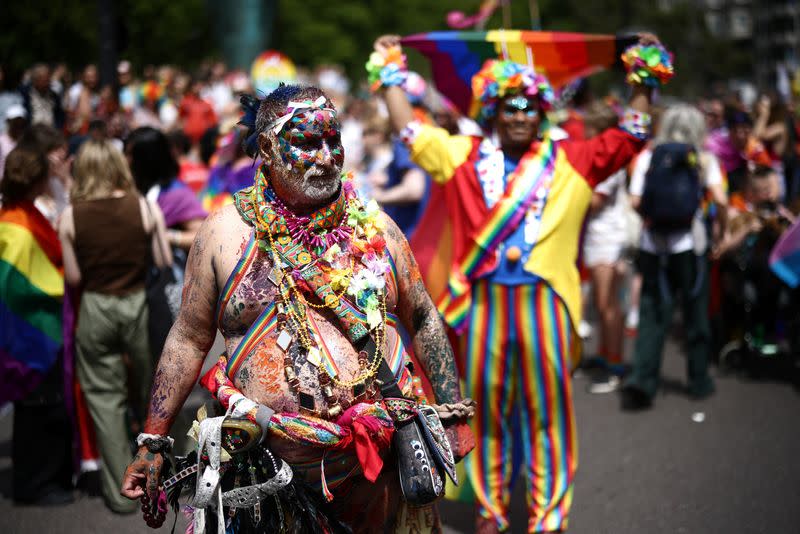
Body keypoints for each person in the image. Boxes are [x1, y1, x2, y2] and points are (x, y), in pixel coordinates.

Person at [120, 85, 474, 533]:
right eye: (306, 142)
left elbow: (422, 316)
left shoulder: (377, 228)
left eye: (333, 140)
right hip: (265, 475)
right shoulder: (224, 235)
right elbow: (189, 337)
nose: (326, 157)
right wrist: (154, 441)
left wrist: (453, 411)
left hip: (377, 470)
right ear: (267, 148)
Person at [375, 33, 663, 533]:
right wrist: (390, 69)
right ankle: (490, 513)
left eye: (530, 107)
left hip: (545, 305)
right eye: (510, 106)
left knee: (548, 415)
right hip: (485, 306)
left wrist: (644, 74)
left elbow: (632, 133)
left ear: (542, 112)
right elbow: (409, 132)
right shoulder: (462, 156)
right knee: (484, 416)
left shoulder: (572, 159)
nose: (520, 116)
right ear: (492, 111)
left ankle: (548, 517)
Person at [58, 139, 172, 513]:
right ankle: (163, 477)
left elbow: (73, 277)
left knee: (105, 399)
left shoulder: (70, 216)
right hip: (138, 303)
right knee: (151, 392)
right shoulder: (143, 206)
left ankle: (120, 495)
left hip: (96, 307)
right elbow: (162, 258)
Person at [623, 104, 728, 410]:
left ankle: (643, 380)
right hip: (689, 246)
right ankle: (698, 381)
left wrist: (651, 218)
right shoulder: (703, 159)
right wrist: (719, 230)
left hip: (654, 245)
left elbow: (634, 200)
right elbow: (720, 199)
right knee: (696, 313)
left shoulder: (648, 157)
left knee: (653, 312)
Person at [1, 147, 74, 506]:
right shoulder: (16, 223)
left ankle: (45, 480)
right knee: (36, 409)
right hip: (30, 333)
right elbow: (13, 285)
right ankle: (34, 485)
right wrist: (59, 284)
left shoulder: (24, 213)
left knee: (44, 406)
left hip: (39, 328)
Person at [581, 102, 632, 393]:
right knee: (603, 306)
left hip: (608, 239)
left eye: (589, 128)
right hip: (598, 237)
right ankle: (604, 355)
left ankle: (615, 364)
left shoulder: (610, 162)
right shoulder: (601, 158)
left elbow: (594, 201)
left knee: (607, 304)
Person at [19, 63, 65, 129]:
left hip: (51, 133)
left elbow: (60, 116)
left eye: (49, 79)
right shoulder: (24, 95)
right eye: (45, 80)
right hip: (31, 134)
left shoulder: (54, 96)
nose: (49, 82)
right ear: (35, 80)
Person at [0, 104, 27, 181]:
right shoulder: (1, 141)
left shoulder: (25, 142)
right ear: (8, 122)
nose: (18, 125)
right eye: (15, 122)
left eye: (21, 123)